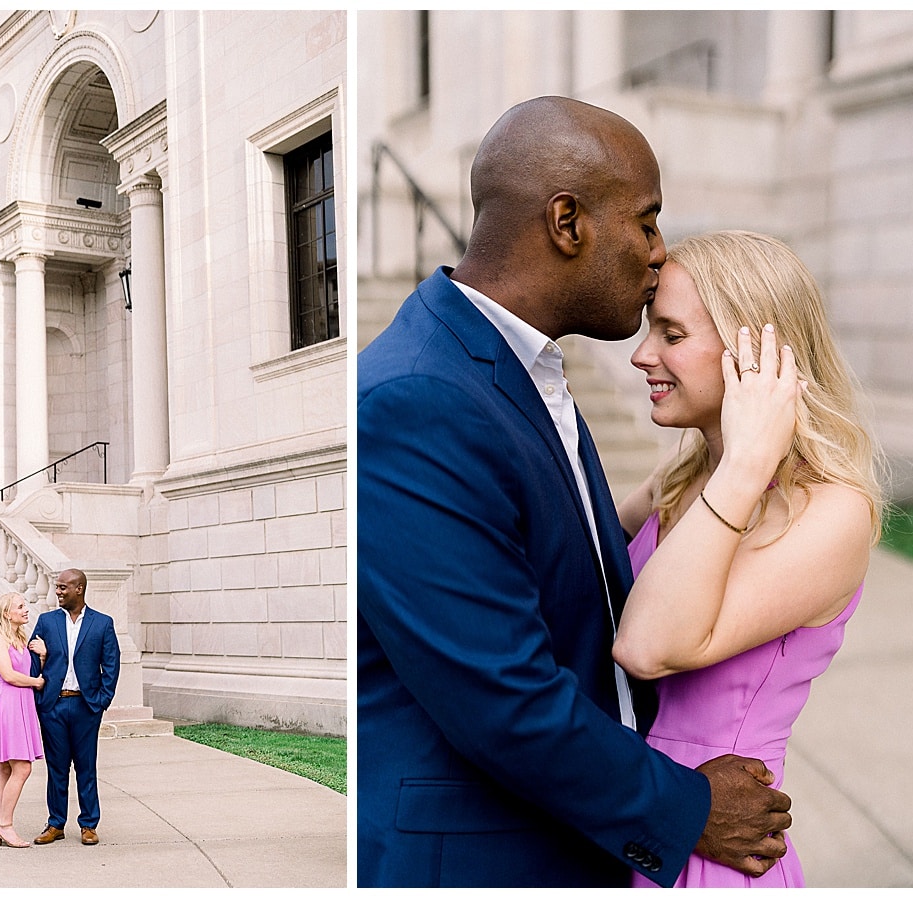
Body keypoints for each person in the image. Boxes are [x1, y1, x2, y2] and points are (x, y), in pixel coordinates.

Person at [357, 96, 792, 887]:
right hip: (486, 858)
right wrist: (690, 806)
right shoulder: (416, 399)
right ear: (568, 223)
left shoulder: (519, 368)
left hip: (574, 838)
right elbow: (503, 698)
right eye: (647, 220)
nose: (659, 252)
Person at [613, 230, 882, 886]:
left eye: (671, 334)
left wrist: (748, 460)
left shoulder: (833, 511)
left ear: (754, 353)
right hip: (636, 818)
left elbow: (646, 646)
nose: (642, 355)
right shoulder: (678, 479)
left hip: (719, 854)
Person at [27, 568, 120, 846]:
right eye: (57, 587)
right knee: (56, 768)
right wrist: (39, 698)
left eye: (63, 587)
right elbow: (33, 658)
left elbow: (112, 665)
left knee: (86, 767)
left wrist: (101, 701)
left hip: (86, 706)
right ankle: (55, 824)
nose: (57, 591)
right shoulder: (46, 621)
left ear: (79, 589)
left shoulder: (102, 623)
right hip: (53, 706)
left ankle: (89, 824)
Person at [0, 591, 46, 849]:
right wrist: (36, 682)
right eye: (20, 607)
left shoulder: (21, 637)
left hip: (24, 703)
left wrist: (41, 657)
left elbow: (29, 670)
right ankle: (5, 825)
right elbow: (9, 675)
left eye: (25, 605)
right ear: (6, 612)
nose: (25, 610)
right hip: (9, 704)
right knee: (22, 768)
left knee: (8, 769)